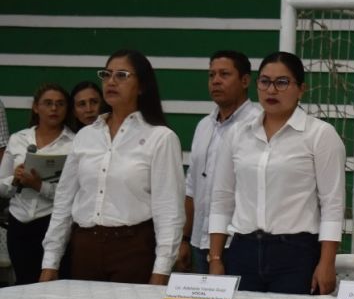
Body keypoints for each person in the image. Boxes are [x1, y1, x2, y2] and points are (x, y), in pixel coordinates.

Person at [39, 50, 184, 285]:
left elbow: (169, 210)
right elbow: (64, 201)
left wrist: (162, 270)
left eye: (122, 75)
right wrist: (50, 261)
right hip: (85, 246)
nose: (111, 82)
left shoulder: (160, 137)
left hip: (134, 248)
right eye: (106, 75)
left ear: (142, 86)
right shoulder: (86, 136)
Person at [207, 51, 345, 295]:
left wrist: (327, 262)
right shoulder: (237, 134)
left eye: (282, 82)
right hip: (243, 249)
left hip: (296, 253)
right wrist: (216, 258)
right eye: (265, 82)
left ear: (301, 89)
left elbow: (332, 204)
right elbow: (221, 198)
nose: (271, 90)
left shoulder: (320, 134)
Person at [177, 51, 259, 274]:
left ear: (245, 80)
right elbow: (192, 187)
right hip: (199, 241)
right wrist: (184, 238)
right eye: (211, 75)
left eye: (224, 74)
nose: (216, 81)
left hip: (239, 242)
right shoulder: (204, 126)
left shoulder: (258, 124)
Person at [0, 84, 74, 285]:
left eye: (60, 104)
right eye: (47, 103)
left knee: (55, 285)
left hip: (52, 221)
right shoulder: (18, 139)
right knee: (24, 283)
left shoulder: (73, 142)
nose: (54, 109)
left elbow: (74, 195)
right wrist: (14, 179)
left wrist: (40, 186)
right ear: (35, 107)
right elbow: (1, 187)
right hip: (19, 222)